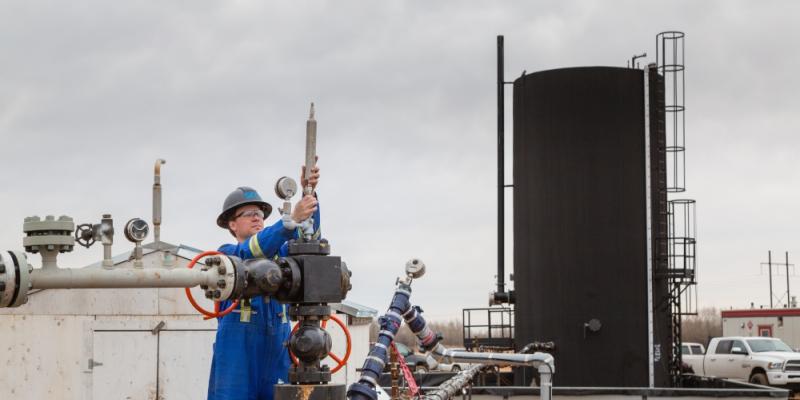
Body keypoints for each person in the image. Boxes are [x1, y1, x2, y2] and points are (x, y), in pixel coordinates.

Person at [207, 163, 321, 400]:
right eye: (249, 214)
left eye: (260, 214)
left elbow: (310, 240)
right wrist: (288, 223)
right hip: (237, 353)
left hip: (279, 346)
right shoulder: (226, 256)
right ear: (232, 224)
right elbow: (252, 253)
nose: (257, 218)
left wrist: (308, 193)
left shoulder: (281, 249)